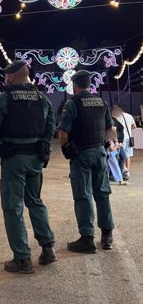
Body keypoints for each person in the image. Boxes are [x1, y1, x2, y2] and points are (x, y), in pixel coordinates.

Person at [0, 60, 56, 274]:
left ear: (12, 77)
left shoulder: (4, 100)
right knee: (35, 201)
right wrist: (41, 148)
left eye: (6, 75)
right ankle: (48, 248)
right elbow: (50, 126)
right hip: (35, 159)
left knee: (13, 207)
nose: (5, 78)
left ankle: (22, 259)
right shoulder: (43, 99)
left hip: (14, 160)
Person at [58, 70, 116, 253]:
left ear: (75, 85)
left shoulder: (72, 103)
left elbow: (63, 133)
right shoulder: (102, 102)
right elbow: (110, 128)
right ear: (90, 84)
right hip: (100, 152)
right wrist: (107, 144)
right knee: (102, 194)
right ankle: (107, 236)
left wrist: (67, 150)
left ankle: (87, 239)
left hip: (82, 154)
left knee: (83, 196)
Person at [117, 105, 136, 180]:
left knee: (119, 155)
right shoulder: (130, 116)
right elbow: (134, 126)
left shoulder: (118, 116)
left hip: (121, 138)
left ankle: (122, 170)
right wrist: (128, 129)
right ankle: (127, 171)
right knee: (128, 156)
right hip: (129, 138)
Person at [110, 106, 126, 179]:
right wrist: (117, 142)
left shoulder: (115, 120)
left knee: (117, 158)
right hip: (115, 143)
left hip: (117, 143)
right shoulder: (113, 120)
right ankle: (118, 176)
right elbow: (113, 130)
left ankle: (117, 175)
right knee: (115, 159)